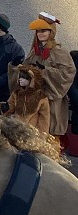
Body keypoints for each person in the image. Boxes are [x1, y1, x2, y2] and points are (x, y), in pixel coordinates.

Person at [11, 13, 75, 149]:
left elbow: (68, 73)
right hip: (33, 102)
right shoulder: (34, 51)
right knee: (33, 136)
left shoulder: (60, 52)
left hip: (51, 101)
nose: (40, 34)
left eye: (44, 30)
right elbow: (25, 70)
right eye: (38, 31)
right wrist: (16, 67)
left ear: (51, 31)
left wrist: (45, 71)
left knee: (50, 138)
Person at [2, 63, 51, 135]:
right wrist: (6, 107)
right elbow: (11, 105)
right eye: (20, 77)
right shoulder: (17, 92)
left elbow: (44, 118)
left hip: (32, 132)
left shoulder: (40, 96)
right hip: (16, 129)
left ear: (32, 80)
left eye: (25, 78)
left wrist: (42, 134)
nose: (20, 79)